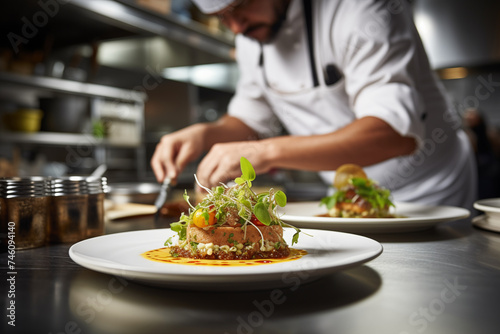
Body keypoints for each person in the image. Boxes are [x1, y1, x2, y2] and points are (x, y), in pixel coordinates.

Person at [151, 0, 477, 211]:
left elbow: (394, 135)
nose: (236, 27)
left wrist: (264, 153)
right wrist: (204, 133)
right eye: (223, 17)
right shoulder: (251, 38)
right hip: (345, 201)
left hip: (429, 194)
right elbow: (250, 116)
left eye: (241, 6)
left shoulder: (362, 9)